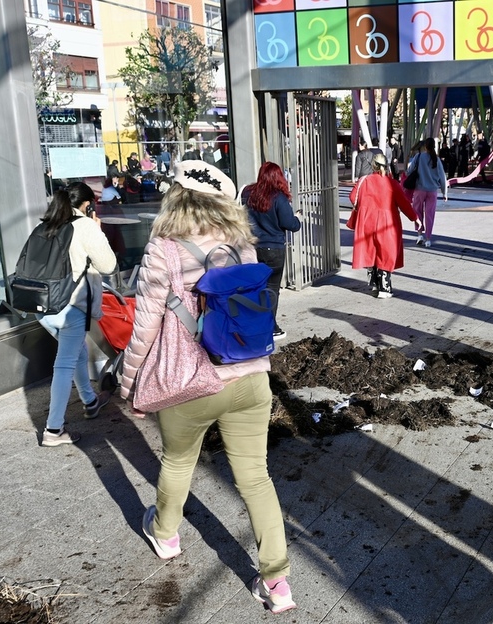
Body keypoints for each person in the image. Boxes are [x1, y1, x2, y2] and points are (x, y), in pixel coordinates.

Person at [118, 160, 296, 614]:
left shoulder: (164, 249)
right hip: (252, 375)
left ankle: (165, 535)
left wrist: (128, 381)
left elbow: (144, 327)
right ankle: (277, 585)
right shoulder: (242, 245)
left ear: (174, 199)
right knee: (257, 478)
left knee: (178, 460)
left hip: (189, 380)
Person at [36, 182, 118, 446]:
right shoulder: (84, 226)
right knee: (64, 364)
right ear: (86, 205)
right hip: (69, 307)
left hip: (42, 305)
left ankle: (90, 401)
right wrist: (98, 232)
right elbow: (108, 265)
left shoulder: (48, 222)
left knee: (77, 351)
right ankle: (53, 429)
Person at [240, 161, 303, 340]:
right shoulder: (278, 197)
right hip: (273, 249)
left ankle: (256, 324)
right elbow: (290, 224)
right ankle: (270, 327)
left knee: (256, 287)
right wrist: (298, 218)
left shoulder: (249, 194)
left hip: (252, 248)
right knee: (272, 289)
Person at [349, 153, 420, 298]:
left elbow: (352, 197)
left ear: (372, 166)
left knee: (372, 251)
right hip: (387, 222)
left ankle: (374, 283)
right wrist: (415, 218)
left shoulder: (364, 181)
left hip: (367, 220)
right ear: (386, 166)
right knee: (385, 252)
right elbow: (404, 203)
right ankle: (385, 288)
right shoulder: (392, 183)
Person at [407, 137, 447, 248]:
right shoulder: (437, 159)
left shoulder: (419, 157)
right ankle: (428, 239)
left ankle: (419, 235)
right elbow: (442, 177)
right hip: (432, 191)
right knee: (430, 215)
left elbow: (409, 171)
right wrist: (444, 193)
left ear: (425, 146)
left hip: (419, 189)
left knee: (417, 212)